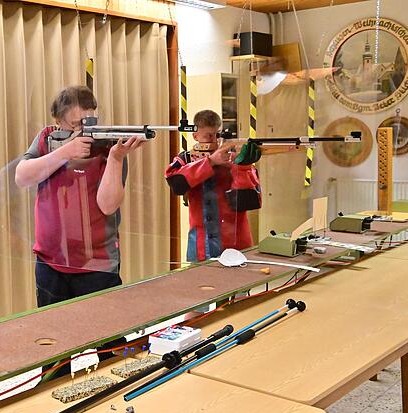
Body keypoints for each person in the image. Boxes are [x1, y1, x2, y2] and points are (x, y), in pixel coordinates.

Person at [15, 86, 146, 307]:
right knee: (56, 336)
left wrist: (116, 158)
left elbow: (108, 206)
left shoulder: (108, 144)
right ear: (58, 122)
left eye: (90, 122)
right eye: (76, 125)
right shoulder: (48, 138)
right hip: (50, 262)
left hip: (97, 265)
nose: (85, 131)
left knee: (107, 337)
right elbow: (21, 177)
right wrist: (66, 152)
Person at [165, 109, 261, 262]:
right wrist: (209, 162)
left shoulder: (233, 158)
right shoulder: (186, 158)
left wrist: (242, 167)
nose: (215, 140)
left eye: (218, 135)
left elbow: (249, 201)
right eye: (209, 136)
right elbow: (176, 184)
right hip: (201, 244)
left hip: (235, 242)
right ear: (195, 136)